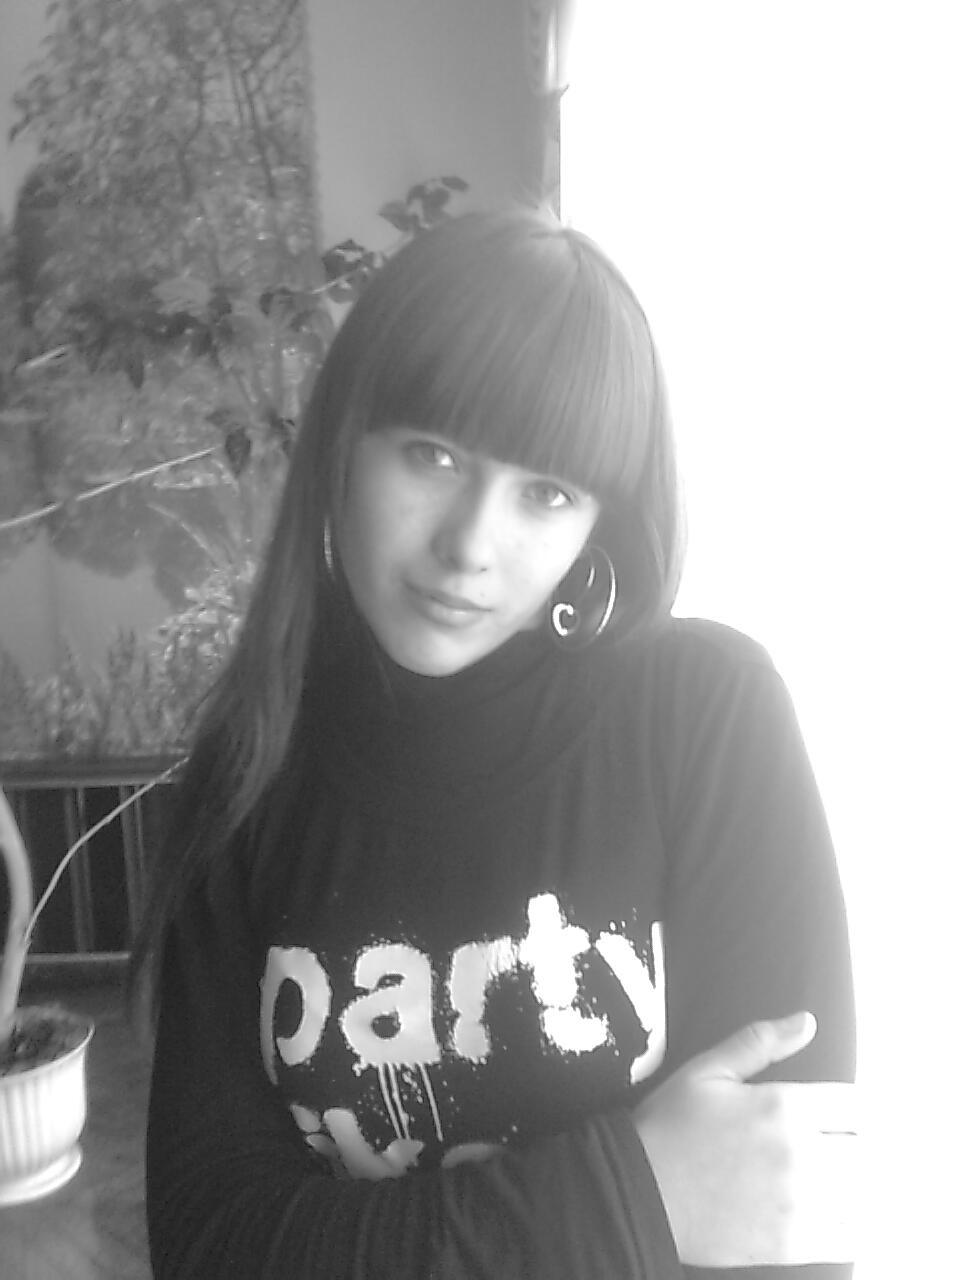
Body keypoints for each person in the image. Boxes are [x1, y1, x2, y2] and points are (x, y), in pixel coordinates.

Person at [133, 207, 857, 1279]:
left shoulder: (705, 716)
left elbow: (788, 1208)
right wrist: (636, 1196)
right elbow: (213, 1246)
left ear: (598, 523)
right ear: (345, 445)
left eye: (546, 492)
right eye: (432, 453)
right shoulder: (249, 771)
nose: (471, 544)